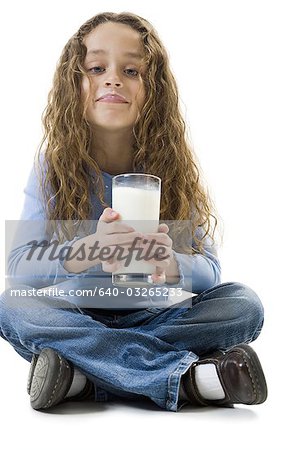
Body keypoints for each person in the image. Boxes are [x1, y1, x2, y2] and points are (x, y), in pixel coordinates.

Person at [0, 11, 267, 412]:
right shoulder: (53, 167)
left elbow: (211, 270)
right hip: (79, 315)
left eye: (131, 70)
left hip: (155, 318)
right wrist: (87, 251)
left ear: (152, 89)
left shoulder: (170, 165)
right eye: (96, 67)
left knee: (244, 304)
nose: (113, 79)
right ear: (74, 83)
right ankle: (191, 379)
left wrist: (172, 263)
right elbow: (20, 266)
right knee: (12, 304)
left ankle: (82, 378)